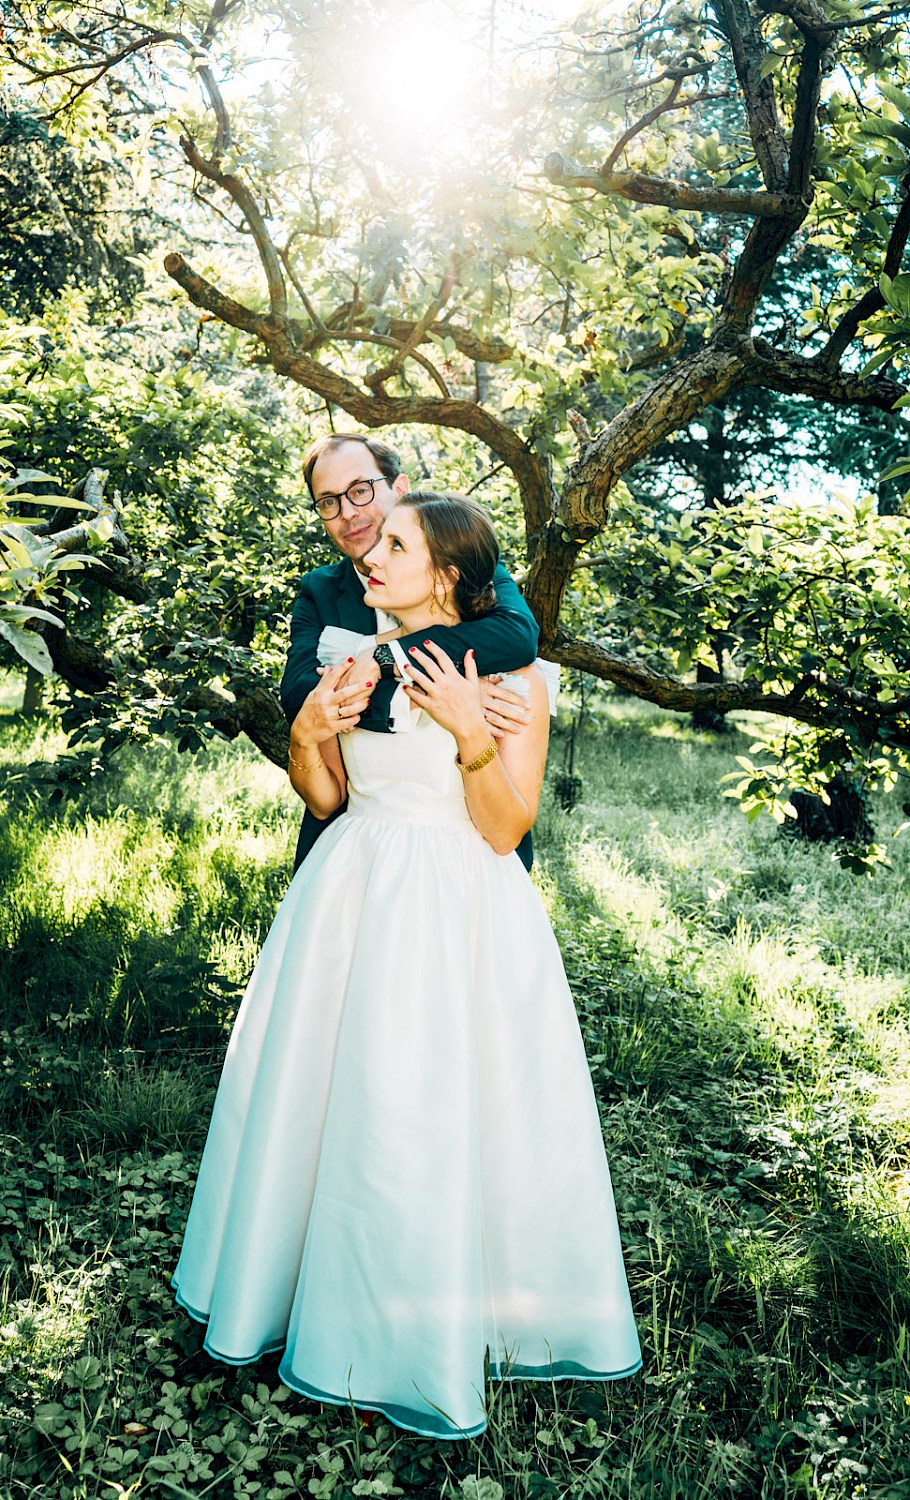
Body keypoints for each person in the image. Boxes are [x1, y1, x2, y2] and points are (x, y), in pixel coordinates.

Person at [172, 491, 642, 1440]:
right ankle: (297, 1286)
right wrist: (308, 733)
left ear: (450, 575)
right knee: (324, 1101)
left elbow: (506, 829)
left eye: (395, 544)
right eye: (373, 541)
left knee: (435, 1110)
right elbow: (330, 797)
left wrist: (471, 732)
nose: (369, 553)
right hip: (347, 898)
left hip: (459, 909)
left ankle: (454, 1320)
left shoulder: (522, 682)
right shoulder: (348, 655)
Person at [280, 433, 541, 871]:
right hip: (353, 856)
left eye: (360, 490)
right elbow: (303, 694)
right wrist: (424, 695)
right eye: (328, 502)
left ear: (398, 488)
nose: (348, 513)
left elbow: (517, 636)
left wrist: (392, 661)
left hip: (470, 863)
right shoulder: (319, 592)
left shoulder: (470, 564)